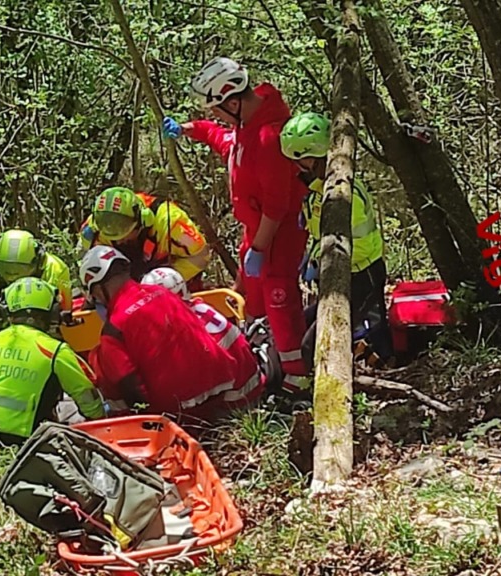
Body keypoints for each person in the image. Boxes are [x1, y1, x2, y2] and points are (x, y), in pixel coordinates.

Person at [163, 57, 311, 394]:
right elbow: (226, 141)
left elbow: (276, 208)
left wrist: (260, 249)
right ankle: (263, 352)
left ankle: (296, 379)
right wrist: (190, 129)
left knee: (280, 300)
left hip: (277, 236)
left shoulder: (268, 139)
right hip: (256, 235)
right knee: (253, 300)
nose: (215, 115)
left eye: (217, 108)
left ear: (232, 101)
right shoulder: (248, 123)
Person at [80, 247, 262, 420]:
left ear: (97, 290)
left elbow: (132, 390)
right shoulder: (162, 291)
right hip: (221, 385)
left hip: (180, 408)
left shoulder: (113, 330)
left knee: (102, 362)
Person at [280, 111, 388, 367]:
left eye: (302, 162)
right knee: (298, 325)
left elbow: (357, 245)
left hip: (361, 275)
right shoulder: (318, 192)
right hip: (337, 277)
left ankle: (374, 375)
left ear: (318, 158)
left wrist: (321, 260)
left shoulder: (346, 195)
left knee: (316, 345)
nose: (297, 170)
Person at [0, 278, 105, 444]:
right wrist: (102, 421)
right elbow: (86, 397)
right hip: (24, 442)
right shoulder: (55, 350)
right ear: (52, 311)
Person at [79, 186, 211, 290]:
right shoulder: (96, 228)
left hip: (170, 285)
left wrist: (166, 280)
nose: (119, 242)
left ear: (142, 221)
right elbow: (86, 264)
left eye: (125, 235)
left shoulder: (171, 222)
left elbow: (201, 255)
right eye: (113, 238)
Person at [0, 229, 73, 330]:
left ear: (38, 260)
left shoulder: (56, 270)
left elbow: (63, 316)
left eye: (20, 269)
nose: (12, 276)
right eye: (6, 268)